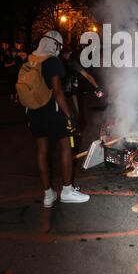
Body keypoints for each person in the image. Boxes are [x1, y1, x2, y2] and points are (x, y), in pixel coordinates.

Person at [26, 30, 90, 207]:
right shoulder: (52, 61)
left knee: (42, 152)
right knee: (66, 148)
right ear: (55, 45)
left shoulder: (31, 60)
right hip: (52, 112)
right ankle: (67, 191)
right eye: (59, 46)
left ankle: (48, 194)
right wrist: (70, 116)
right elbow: (58, 92)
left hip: (33, 111)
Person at [60, 46, 103, 115]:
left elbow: (86, 75)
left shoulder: (69, 62)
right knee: (74, 112)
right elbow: (86, 75)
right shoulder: (69, 62)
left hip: (67, 92)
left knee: (74, 111)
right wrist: (96, 87)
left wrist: (96, 87)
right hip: (66, 92)